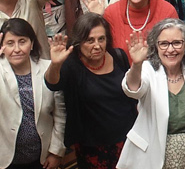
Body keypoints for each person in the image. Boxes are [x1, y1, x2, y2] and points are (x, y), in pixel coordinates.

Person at [119, 19, 185, 169]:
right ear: (156, 47)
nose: (170, 50)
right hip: (150, 158)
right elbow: (133, 90)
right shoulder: (148, 70)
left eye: (177, 43)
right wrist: (136, 64)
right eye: (164, 44)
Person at [0, 21, 67, 169]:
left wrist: (56, 151)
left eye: (22, 42)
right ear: (2, 46)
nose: (16, 49)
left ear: (32, 44)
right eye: (10, 43)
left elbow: (60, 114)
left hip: (39, 157)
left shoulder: (48, 68)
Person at [45, 13, 136, 167]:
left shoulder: (119, 56)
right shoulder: (72, 64)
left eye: (101, 39)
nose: (97, 45)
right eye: (90, 40)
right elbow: (52, 83)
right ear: (79, 42)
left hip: (128, 141)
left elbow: (133, 93)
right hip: (92, 147)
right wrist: (55, 64)